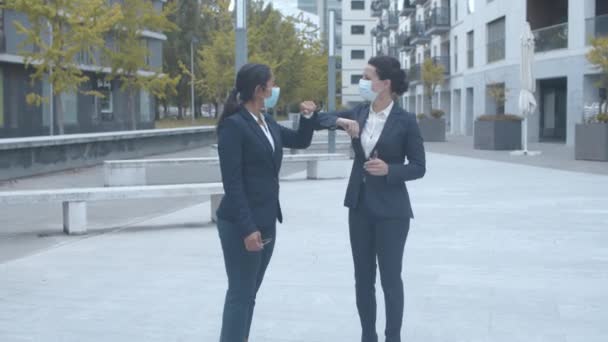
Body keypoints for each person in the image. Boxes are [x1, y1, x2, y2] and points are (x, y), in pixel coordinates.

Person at [215, 63, 357, 342]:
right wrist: (247, 229)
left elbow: (300, 141)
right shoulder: (234, 126)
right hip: (241, 224)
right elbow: (232, 184)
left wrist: (308, 118)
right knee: (240, 294)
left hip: (266, 220)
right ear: (259, 90)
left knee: (249, 294)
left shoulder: (265, 122)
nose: (274, 87)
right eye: (272, 83)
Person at [302, 56, 426, 342]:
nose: (363, 81)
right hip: (359, 207)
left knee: (391, 281)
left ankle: (392, 337)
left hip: (393, 212)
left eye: (368, 76)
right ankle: (367, 336)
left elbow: (419, 166)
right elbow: (322, 119)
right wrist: (327, 116)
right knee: (363, 280)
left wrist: (390, 170)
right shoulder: (358, 113)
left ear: (385, 84)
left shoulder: (405, 121)